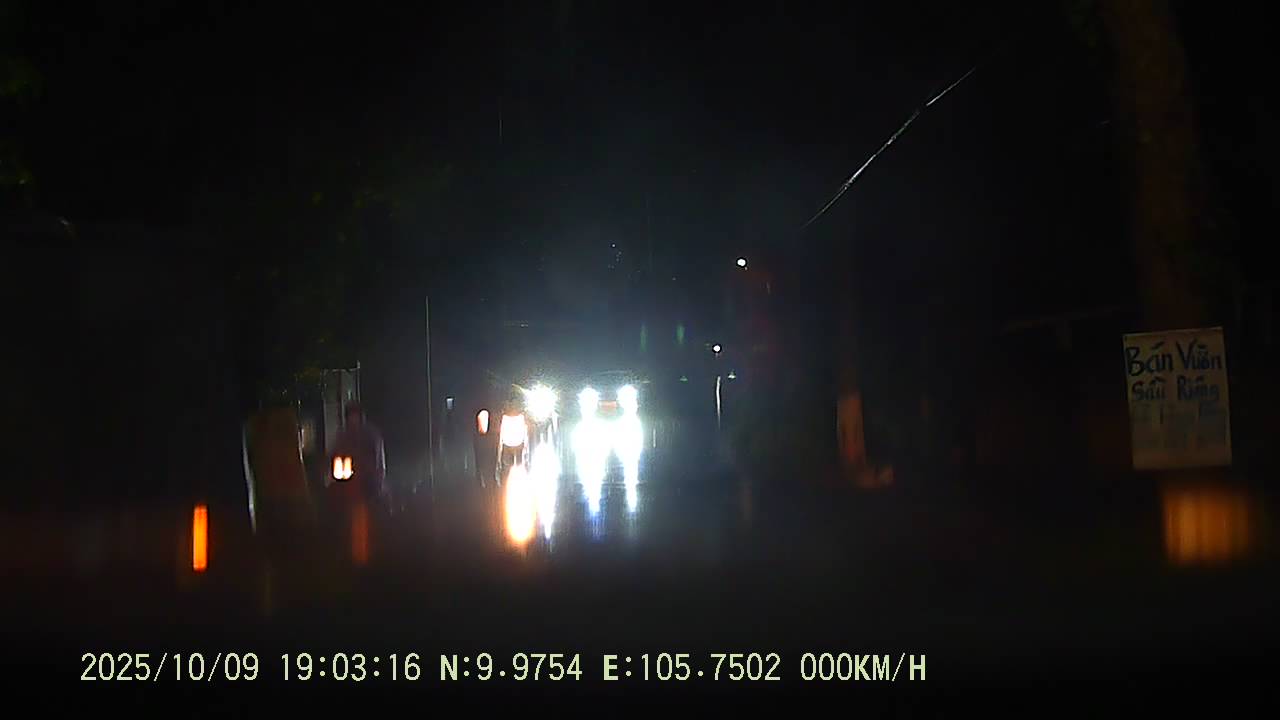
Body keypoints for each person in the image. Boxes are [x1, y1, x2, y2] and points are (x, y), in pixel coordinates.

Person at [329, 402, 389, 511]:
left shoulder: (371, 435)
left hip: (369, 481)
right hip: (348, 482)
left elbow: (377, 460)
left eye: (355, 415)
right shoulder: (343, 435)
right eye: (351, 416)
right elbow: (336, 455)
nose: (353, 419)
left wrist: (373, 474)